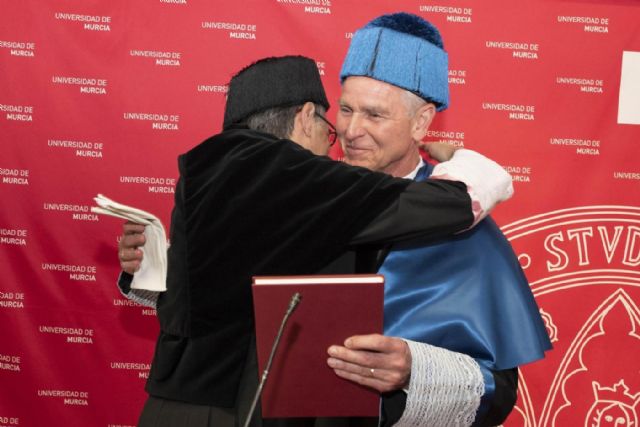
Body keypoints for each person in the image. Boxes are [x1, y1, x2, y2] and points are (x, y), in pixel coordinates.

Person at [115, 55, 513, 426]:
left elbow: (209, 289)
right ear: (307, 117)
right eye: (334, 126)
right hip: (236, 408)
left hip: (170, 405)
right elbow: (453, 204)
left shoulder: (204, 166)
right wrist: (462, 159)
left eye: (373, 114)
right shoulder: (290, 170)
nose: (338, 142)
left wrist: (150, 263)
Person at [322, 12, 552, 427]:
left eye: (374, 115)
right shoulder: (309, 196)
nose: (352, 130)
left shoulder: (464, 226)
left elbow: (499, 391)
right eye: (345, 109)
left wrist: (416, 370)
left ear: (422, 122)